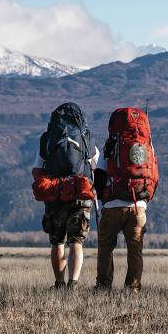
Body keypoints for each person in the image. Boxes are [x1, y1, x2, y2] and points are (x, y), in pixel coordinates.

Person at [31, 102, 99, 290]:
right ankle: (73, 284)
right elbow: (95, 166)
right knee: (76, 241)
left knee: (57, 242)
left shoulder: (47, 138)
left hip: (55, 196)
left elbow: (37, 168)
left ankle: (59, 284)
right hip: (79, 194)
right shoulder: (86, 137)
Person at [94, 107, 159, 291]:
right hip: (139, 205)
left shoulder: (112, 143)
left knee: (106, 247)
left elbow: (99, 177)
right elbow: (154, 176)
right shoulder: (148, 146)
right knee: (135, 249)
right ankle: (133, 289)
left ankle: (103, 286)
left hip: (113, 205)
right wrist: (144, 200)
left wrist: (102, 200)